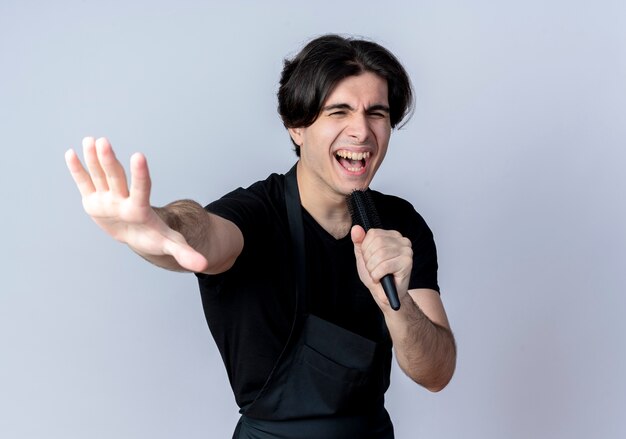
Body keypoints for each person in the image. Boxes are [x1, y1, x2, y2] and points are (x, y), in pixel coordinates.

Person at [65, 34, 456, 439]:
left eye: (376, 113)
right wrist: (161, 226)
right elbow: (204, 231)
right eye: (338, 112)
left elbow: (436, 373)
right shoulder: (255, 215)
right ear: (297, 126)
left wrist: (396, 305)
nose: (361, 131)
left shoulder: (400, 224)